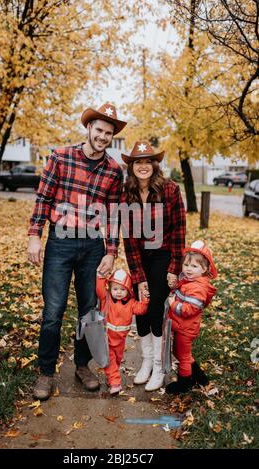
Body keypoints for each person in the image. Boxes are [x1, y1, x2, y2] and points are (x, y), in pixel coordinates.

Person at [28, 102, 127, 400]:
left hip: (93, 246)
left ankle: (82, 366)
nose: (102, 137)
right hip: (60, 240)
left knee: (90, 311)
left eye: (108, 133)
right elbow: (43, 198)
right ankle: (45, 372)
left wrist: (111, 252)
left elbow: (113, 215)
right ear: (88, 128)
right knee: (53, 312)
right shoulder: (60, 157)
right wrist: (35, 235)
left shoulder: (113, 170)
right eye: (98, 130)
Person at [120, 141, 186, 391]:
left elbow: (180, 229)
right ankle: (146, 361)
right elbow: (128, 237)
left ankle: (159, 366)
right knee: (141, 307)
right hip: (140, 257)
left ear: (154, 165)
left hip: (163, 255)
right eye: (139, 162)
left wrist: (174, 267)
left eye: (148, 161)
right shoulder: (127, 194)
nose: (144, 166)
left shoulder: (169, 190)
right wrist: (137, 275)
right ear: (132, 166)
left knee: (156, 307)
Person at [165, 240, 217, 394]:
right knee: (181, 353)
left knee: (183, 357)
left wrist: (173, 304)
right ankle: (199, 378)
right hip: (182, 326)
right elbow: (183, 291)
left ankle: (183, 385)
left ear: (205, 269)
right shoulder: (191, 281)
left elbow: (190, 309)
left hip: (186, 328)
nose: (188, 269)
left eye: (194, 266)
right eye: (186, 265)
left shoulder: (198, 287)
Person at [96, 269, 149, 395]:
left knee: (117, 359)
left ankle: (111, 378)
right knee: (109, 359)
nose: (118, 292)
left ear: (129, 290)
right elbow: (99, 288)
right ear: (110, 289)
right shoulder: (106, 299)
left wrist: (145, 299)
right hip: (106, 337)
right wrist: (100, 276)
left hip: (120, 340)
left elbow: (141, 309)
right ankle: (115, 383)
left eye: (122, 289)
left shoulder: (131, 303)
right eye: (115, 289)